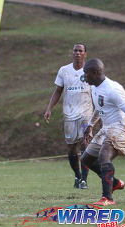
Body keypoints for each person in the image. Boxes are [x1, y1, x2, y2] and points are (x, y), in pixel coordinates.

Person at [80, 58, 125, 206]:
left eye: (86, 74)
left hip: (120, 126)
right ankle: (114, 183)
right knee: (86, 159)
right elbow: (100, 108)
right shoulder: (94, 87)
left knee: (104, 155)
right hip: (107, 127)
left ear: (95, 73)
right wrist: (90, 125)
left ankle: (107, 198)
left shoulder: (113, 89)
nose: (84, 77)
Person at [44, 43, 91, 189]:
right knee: (71, 148)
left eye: (80, 51)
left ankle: (84, 179)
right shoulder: (64, 70)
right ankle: (77, 176)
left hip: (86, 113)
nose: (77, 53)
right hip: (69, 114)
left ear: (85, 54)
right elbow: (58, 91)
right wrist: (49, 108)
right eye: (75, 51)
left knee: (85, 143)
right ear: (72, 53)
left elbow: (98, 90)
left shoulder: (90, 70)